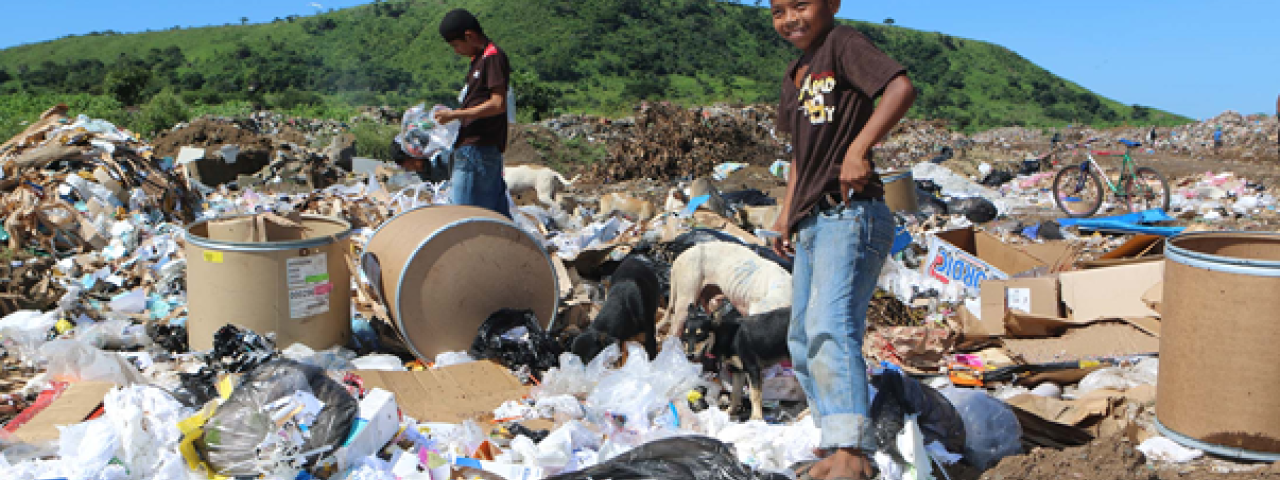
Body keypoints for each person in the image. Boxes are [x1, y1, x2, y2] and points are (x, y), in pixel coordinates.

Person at [766, 1, 916, 479]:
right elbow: (798, 156)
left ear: (831, 4)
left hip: (850, 214)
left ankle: (852, 450)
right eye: (777, 10)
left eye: (801, 5)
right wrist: (785, 213)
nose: (790, 18)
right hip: (813, 220)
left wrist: (858, 147)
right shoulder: (797, 73)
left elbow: (900, 88)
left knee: (831, 325)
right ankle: (834, 440)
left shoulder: (843, 44)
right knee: (804, 336)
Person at [434, 9, 512, 219]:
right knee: (496, 217)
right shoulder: (479, 60)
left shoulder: (492, 58)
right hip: (478, 150)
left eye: (456, 45)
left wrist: (456, 115)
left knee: (461, 217)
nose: (456, 51)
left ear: (469, 36)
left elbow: (498, 104)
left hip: (478, 150)